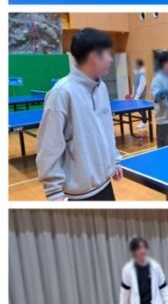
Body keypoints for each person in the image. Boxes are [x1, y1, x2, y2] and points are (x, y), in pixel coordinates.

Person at [36, 28, 123, 201]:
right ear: (93, 56)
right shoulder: (61, 93)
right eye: (107, 54)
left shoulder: (101, 88)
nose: (111, 59)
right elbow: (49, 146)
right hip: (79, 195)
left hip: (105, 185)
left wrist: (114, 160)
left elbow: (106, 130)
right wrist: (54, 192)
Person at [117, 237, 168, 304]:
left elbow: (163, 287)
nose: (143, 251)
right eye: (139, 248)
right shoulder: (127, 269)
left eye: (144, 248)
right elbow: (125, 290)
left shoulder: (156, 267)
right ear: (134, 251)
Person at [132, 58, 148, 132]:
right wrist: (133, 94)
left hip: (140, 95)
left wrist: (137, 96)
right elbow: (134, 85)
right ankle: (144, 121)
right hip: (136, 95)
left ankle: (144, 122)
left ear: (138, 65)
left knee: (141, 108)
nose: (133, 65)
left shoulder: (142, 74)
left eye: (135, 64)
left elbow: (142, 85)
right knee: (140, 109)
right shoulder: (136, 74)